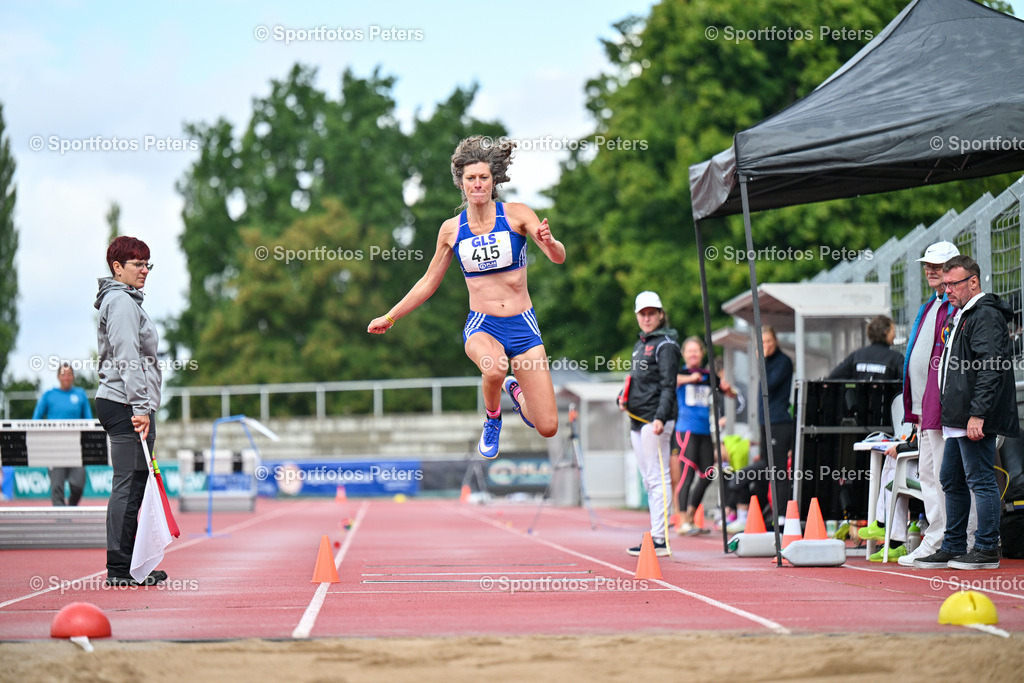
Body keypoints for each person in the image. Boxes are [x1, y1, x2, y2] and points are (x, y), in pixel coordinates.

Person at [368, 137, 565, 459]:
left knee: (547, 426)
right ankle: (492, 418)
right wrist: (390, 317)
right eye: (470, 178)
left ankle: (513, 390)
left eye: (483, 178)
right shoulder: (451, 230)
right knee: (494, 367)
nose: (477, 184)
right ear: (461, 183)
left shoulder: (516, 215)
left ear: (493, 181)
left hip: (523, 325)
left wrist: (550, 241)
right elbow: (428, 282)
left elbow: (558, 257)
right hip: (483, 325)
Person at [916, 255, 1019, 570]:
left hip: (973, 417)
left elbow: (991, 367)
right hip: (958, 416)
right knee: (950, 478)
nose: (947, 290)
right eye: (944, 284)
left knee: (980, 478)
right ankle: (953, 545)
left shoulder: (984, 315)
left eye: (953, 284)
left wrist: (978, 414)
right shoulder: (962, 313)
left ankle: (986, 547)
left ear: (973, 282)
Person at [895, 241, 976, 567]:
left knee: (951, 476)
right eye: (927, 265)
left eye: (938, 266)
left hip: (945, 406)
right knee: (931, 473)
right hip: (926, 406)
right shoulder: (933, 305)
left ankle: (960, 538)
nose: (930, 270)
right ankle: (939, 535)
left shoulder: (955, 309)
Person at [94, 236, 166, 587]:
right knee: (127, 484)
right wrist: (140, 405)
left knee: (136, 483)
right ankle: (119, 568)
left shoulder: (127, 301)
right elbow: (127, 357)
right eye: (137, 264)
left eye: (147, 263)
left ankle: (132, 565)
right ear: (117, 267)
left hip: (127, 401)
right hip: (124, 402)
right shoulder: (121, 302)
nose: (145, 270)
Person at [826, 315, 908, 560]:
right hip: (888, 430)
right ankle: (884, 530)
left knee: (859, 478)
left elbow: (832, 380)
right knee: (885, 479)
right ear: (887, 333)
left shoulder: (856, 356)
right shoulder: (896, 359)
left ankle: (859, 523)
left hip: (857, 430)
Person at [619, 291, 680, 557]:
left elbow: (669, 385)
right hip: (637, 419)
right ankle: (656, 536)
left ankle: (660, 538)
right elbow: (637, 381)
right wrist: (622, 398)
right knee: (649, 480)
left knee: (658, 477)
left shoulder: (665, 345)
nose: (647, 317)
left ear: (660, 314)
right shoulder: (641, 343)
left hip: (654, 420)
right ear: (637, 316)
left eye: (651, 313)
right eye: (643, 313)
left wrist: (660, 417)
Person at [673, 338, 733, 535]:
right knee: (687, 475)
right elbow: (668, 382)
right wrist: (691, 379)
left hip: (705, 431)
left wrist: (727, 388)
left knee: (707, 474)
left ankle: (691, 516)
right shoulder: (680, 373)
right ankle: (681, 520)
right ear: (684, 354)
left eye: (696, 351)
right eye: (689, 351)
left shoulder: (709, 375)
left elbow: (730, 394)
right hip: (686, 431)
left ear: (701, 353)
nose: (693, 354)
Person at [33, 363, 92, 506]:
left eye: (69, 374)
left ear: (73, 377)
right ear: (58, 377)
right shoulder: (48, 395)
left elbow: (89, 420)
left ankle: (71, 508)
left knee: (78, 484)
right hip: (54, 448)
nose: (66, 377)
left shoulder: (80, 395)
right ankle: (62, 520)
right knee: (57, 487)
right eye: (63, 374)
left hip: (76, 448)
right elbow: (36, 420)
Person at [756, 326, 795, 523]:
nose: (766, 346)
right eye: (762, 343)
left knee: (779, 469)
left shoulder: (783, 361)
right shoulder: (768, 362)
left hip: (779, 422)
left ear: (775, 341)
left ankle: (782, 515)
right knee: (766, 467)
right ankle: (767, 511)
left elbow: (768, 385)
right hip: (765, 422)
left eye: (769, 342)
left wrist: (760, 361)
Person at [827, 315, 904, 382]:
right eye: (893, 332)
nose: (895, 336)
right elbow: (906, 385)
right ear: (885, 332)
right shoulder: (896, 358)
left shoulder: (856, 355)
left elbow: (833, 378)